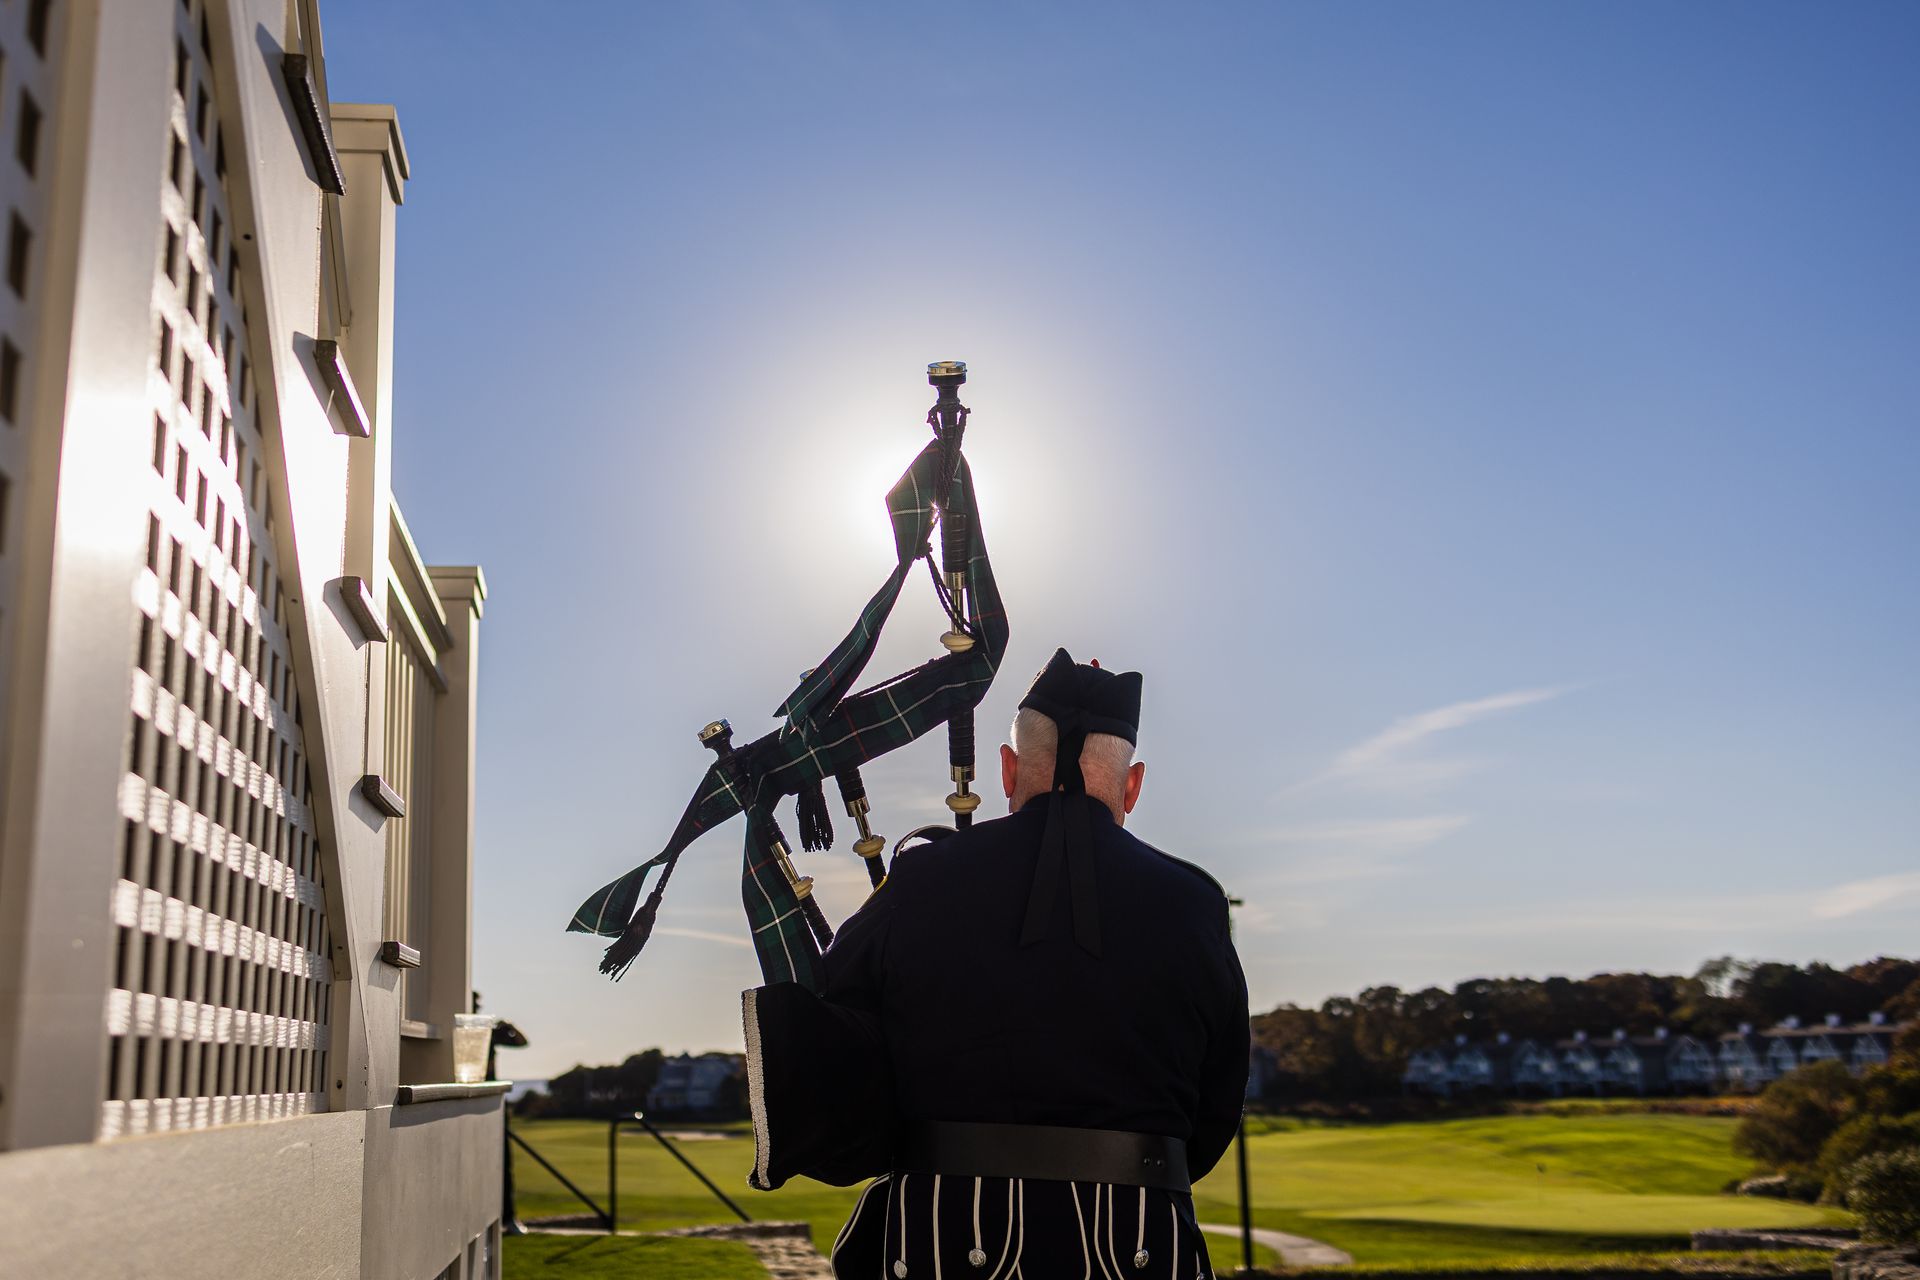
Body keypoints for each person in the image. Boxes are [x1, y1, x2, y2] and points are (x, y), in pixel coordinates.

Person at [742, 648, 1249, 1280]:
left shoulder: (919, 878)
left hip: (941, 1238)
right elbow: (1212, 1119)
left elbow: (835, 1040)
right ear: (1134, 783)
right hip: (1143, 1243)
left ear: (1008, 770)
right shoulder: (1194, 903)